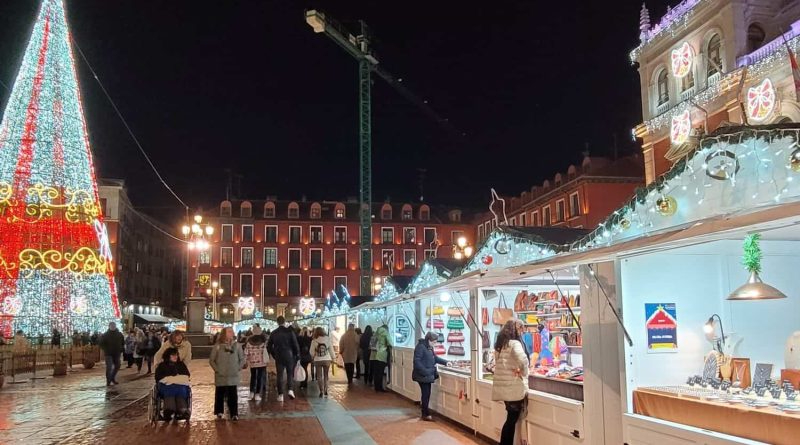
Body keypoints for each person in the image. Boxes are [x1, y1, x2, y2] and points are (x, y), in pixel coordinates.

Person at [492, 319, 530, 445]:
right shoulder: (514, 344)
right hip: (513, 387)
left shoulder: (501, 344)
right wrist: (524, 372)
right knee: (511, 420)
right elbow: (523, 360)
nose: (522, 332)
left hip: (504, 387)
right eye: (520, 329)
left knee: (510, 419)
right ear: (515, 329)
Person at [413, 332, 451, 421]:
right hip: (423, 375)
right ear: (429, 340)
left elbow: (435, 358)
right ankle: (425, 413)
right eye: (434, 342)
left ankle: (425, 412)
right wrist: (425, 371)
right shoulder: (421, 347)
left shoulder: (429, 347)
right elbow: (417, 362)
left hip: (427, 374)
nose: (435, 344)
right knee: (426, 394)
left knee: (426, 394)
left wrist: (446, 362)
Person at [210, 327, 245, 420]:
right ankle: (219, 411)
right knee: (220, 393)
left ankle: (234, 413)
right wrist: (217, 369)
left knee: (233, 394)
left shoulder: (237, 345)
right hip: (221, 374)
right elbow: (212, 360)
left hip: (233, 374)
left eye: (232, 331)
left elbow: (242, 358)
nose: (232, 332)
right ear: (224, 333)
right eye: (229, 331)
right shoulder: (218, 346)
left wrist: (238, 368)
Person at [266, 316, 299, 402]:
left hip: (279, 355)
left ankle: (280, 395)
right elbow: (295, 344)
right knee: (290, 373)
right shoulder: (290, 332)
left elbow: (269, 346)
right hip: (289, 355)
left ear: (277, 322)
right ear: (284, 322)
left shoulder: (274, 333)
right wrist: (297, 354)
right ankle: (290, 390)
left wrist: (273, 354)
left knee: (280, 375)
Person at [154, 347, 191, 421]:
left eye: (176, 355)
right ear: (168, 356)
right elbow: (159, 378)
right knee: (170, 390)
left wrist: (170, 379)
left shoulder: (181, 365)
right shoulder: (162, 366)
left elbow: (186, 376)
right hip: (167, 387)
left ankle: (182, 410)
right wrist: (176, 379)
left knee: (181, 390)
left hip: (179, 387)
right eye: (173, 355)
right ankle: (169, 410)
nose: (175, 357)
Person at [310, 327, 335, 397]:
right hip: (327, 359)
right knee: (326, 375)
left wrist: (314, 354)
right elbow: (331, 350)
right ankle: (326, 390)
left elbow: (311, 352)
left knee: (319, 376)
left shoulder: (314, 340)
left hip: (317, 360)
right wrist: (334, 358)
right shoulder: (328, 339)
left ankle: (321, 391)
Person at [99, 322, 124, 386]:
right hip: (108, 353)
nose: (113, 327)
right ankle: (108, 380)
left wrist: (121, 349)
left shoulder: (119, 334)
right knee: (109, 367)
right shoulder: (105, 335)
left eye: (114, 326)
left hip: (116, 352)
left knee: (118, 365)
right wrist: (106, 349)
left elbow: (122, 342)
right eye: (111, 326)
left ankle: (112, 377)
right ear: (109, 326)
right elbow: (101, 343)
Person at [244, 332, 268, 401]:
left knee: (253, 377)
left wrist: (245, 361)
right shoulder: (263, 343)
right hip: (262, 363)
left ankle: (251, 393)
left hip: (252, 362)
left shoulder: (249, 342)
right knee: (260, 378)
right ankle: (257, 394)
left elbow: (246, 353)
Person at [370, 324, 391, 392]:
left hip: (376, 355)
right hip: (382, 355)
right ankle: (380, 387)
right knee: (380, 372)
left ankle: (377, 387)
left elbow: (372, 343)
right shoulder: (385, 333)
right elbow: (390, 343)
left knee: (376, 372)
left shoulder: (376, 333)